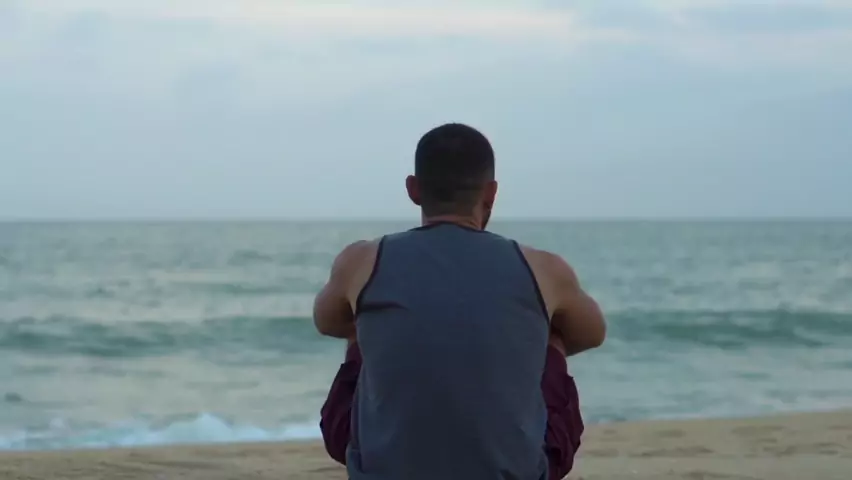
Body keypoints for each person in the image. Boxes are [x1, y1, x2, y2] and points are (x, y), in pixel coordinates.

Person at [313, 123, 606, 480]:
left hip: (384, 471)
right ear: (491, 192)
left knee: (360, 325)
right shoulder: (542, 268)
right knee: (551, 332)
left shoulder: (362, 260)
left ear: (413, 189)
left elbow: (327, 322)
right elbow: (592, 333)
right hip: (518, 473)